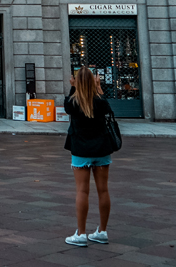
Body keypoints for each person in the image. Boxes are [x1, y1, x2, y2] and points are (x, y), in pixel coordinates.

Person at [63, 67, 115, 247]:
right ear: (94, 81)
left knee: (82, 191)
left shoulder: (72, 102)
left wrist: (73, 88)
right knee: (103, 190)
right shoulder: (101, 101)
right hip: (101, 149)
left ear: (76, 81)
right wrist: (99, 88)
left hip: (81, 150)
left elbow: (68, 107)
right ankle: (102, 231)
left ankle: (81, 234)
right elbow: (106, 108)